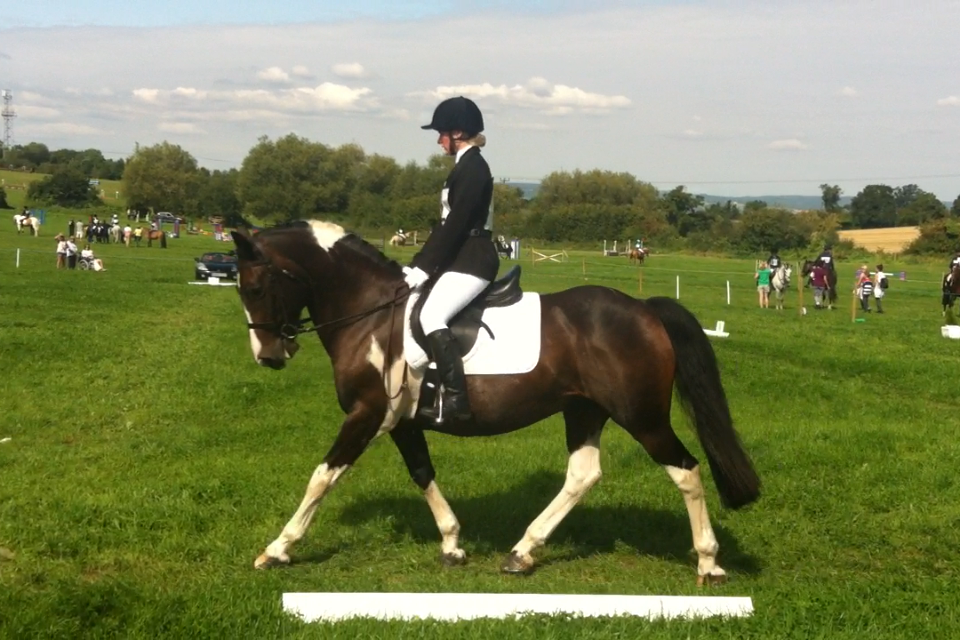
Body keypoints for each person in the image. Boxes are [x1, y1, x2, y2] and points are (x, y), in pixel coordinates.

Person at [403, 96, 497, 424]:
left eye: (441, 132)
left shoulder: (473, 169)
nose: (438, 139)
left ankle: (457, 401)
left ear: (457, 133)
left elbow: (456, 225)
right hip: (460, 257)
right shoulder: (463, 167)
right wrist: (417, 263)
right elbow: (443, 227)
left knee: (431, 315)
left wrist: (425, 269)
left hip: (474, 259)